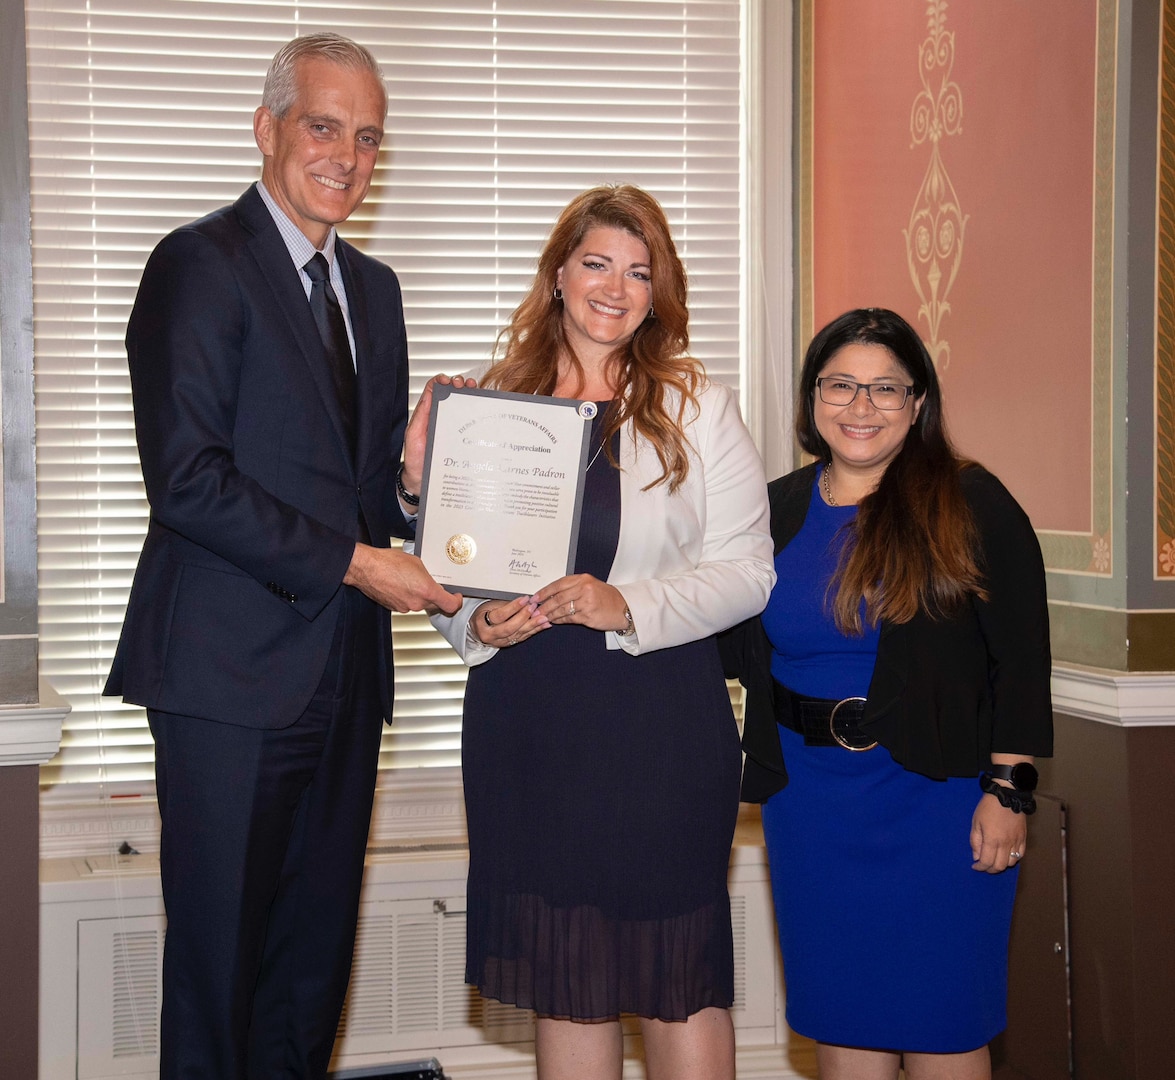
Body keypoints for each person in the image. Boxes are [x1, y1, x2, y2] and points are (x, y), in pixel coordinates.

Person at [104, 33, 462, 1080]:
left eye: (366, 138)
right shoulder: (198, 264)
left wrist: (408, 489)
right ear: (266, 130)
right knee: (218, 980)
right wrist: (358, 561)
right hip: (227, 681)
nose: (345, 156)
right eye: (322, 126)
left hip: (344, 682)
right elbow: (188, 480)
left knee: (309, 983)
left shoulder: (377, 290)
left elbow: (360, 496)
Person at [428, 184, 775, 1080]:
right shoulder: (492, 405)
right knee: (565, 973)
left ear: (658, 293)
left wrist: (629, 606)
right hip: (529, 725)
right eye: (596, 263)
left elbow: (749, 573)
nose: (615, 288)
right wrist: (479, 623)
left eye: (639, 271)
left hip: (658, 724)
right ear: (557, 275)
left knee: (678, 975)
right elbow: (452, 568)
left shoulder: (699, 406)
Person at [721, 307, 1053, 1080]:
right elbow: (719, 627)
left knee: (943, 1023)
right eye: (840, 385)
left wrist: (1008, 792)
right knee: (842, 1021)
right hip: (809, 804)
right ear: (811, 400)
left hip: (937, 800)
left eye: (884, 389)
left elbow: (1022, 659)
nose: (859, 407)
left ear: (917, 403)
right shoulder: (769, 509)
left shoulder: (971, 502)